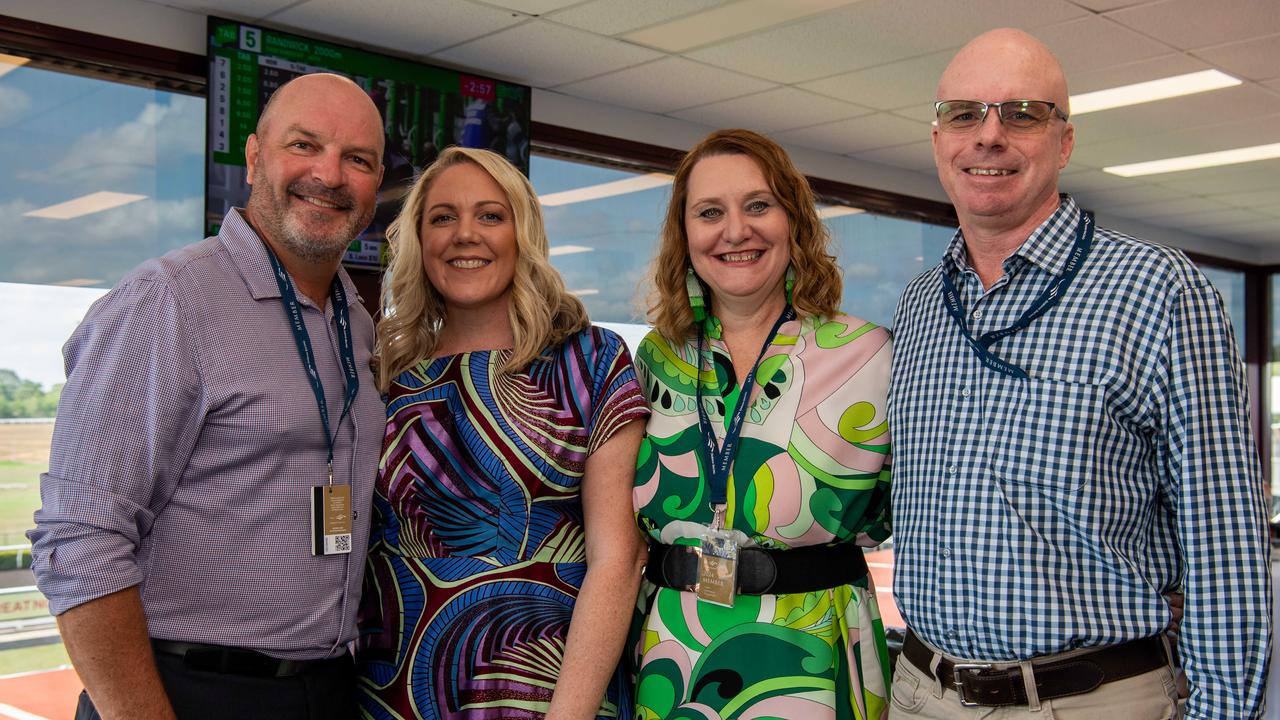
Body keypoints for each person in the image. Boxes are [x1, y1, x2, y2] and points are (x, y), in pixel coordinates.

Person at [887, 28, 1271, 719]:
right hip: (922, 693)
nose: (989, 135)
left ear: (1064, 142)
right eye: (964, 113)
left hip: (1089, 701)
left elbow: (1225, 552)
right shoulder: (922, 304)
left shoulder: (1160, 291)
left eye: (1023, 113)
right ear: (938, 138)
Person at [27, 73, 387, 719]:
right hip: (188, 689)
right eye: (304, 145)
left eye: (356, 159)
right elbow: (79, 538)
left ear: (376, 183)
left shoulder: (352, 321)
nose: (329, 175)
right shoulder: (167, 300)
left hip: (327, 687)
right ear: (253, 157)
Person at [357, 146, 649, 719]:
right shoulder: (389, 374)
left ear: (524, 234)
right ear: (420, 239)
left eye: (490, 215)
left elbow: (618, 562)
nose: (466, 234)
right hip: (397, 693)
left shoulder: (589, 361)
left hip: (550, 695)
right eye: (443, 217)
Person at [632, 129, 894, 719]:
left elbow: (899, 510)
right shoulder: (657, 358)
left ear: (794, 220)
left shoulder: (868, 354)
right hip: (671, 652)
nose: (735, 231)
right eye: (709, 213)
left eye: (758, 205)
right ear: (686, 236)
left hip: (814, 656)